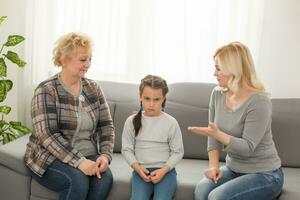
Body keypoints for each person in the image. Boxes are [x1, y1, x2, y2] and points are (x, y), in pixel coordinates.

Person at [24, 32, 115, 200]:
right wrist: (79, 162)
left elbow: (106, 125)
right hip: (48, 156)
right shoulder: (46, 90)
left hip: (87, 153)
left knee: (104, 179)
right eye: (82, 60)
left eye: (90, 59)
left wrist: (105, 155)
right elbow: (47, 135)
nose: (88, 64)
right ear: (64, 59)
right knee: (77, 180)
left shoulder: (93, 88)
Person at [188, 41, 284, 200]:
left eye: (218, 69)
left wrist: (217, 134)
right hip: (233, 169)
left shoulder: (259, 101)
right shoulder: (217, 94)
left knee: (218, 197)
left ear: (233, 70)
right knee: (202, 189)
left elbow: (247, 148)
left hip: (265, 174)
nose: (214, 74)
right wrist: (213, 167)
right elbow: (213, 137)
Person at [122, 75, 184, 200]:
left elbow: (178, 152)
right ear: (140, 97)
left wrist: (163, 170)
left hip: (166, 172)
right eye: (147, 98)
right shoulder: (131, 121)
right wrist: (137, 168)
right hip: (141, 171)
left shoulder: (171, 122)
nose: (151, 104)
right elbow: (126, 149)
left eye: (156, 99)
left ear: (163, 99)